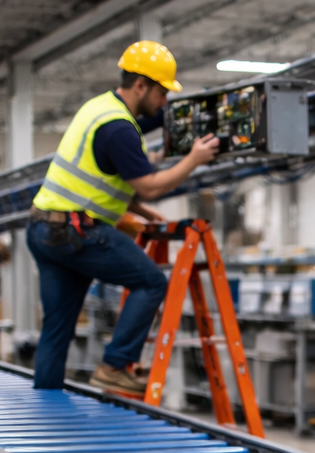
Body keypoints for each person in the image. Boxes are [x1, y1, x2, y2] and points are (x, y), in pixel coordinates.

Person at [28, 40, 221, 393]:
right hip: (76, 232)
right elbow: (147, 186)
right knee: (151, 283)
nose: (164, 102)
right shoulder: (119, 127)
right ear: (141, 86)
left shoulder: (99, 109)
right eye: (162, 93)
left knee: (57, 328)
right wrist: (193, 160)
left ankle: (47, 408)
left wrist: (142, 211)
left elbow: (104, 180)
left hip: (44, 230)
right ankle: (114, 366)